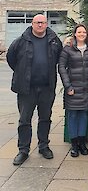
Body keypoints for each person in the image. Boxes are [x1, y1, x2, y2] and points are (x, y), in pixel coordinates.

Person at [7, 14, 62, 165]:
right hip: (26, 89)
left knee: (45, 119)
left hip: (46, 88)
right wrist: (22, 73)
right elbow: (11, 59)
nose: (40, 25)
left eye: (43, 23)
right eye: (37, 22)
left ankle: (44, 146)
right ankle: (23, 150)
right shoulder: (21, 41)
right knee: (25, 120)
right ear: (32, 23)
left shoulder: (53, 40)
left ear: (46, 24)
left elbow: (59, 57)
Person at [58, 23, 88, 157]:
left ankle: (82, 142)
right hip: (73, 88)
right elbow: (62, 67)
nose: (81, 34)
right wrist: (67, 86)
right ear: (75, 34)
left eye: (84, 32)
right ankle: (74, 144)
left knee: (84, 114)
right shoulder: (67, 49)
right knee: (73, 115)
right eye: (79, 32)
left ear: (87, 34)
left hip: (87, 87)